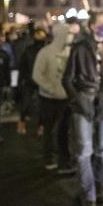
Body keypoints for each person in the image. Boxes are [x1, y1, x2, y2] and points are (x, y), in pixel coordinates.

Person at [62, 10, 103, 206]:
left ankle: (100, 187)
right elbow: (67, 79)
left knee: (102, 149)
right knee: (84, 151)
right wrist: (78, 98)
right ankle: (89, 195)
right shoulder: (80, 48)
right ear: (92, 26)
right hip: (84, 101)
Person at [33, 22, 77, 171]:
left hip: (66, 99)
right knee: (49, 130)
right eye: (67, 34)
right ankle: (48, 157)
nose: (69, 37)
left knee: (65, 130)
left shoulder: (70, 52)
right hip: (48, 99)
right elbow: (37, 75)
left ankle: (65, 159)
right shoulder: (45, 53)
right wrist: (51, 89)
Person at [17, 26, 47, 135]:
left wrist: (21, 81)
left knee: (26, 103)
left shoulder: (28, 50)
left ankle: (22, 124)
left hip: (29, 80)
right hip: (41, 81)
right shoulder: (45, 50)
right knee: (42, 105)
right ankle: (41, 127)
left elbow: (22, 67)